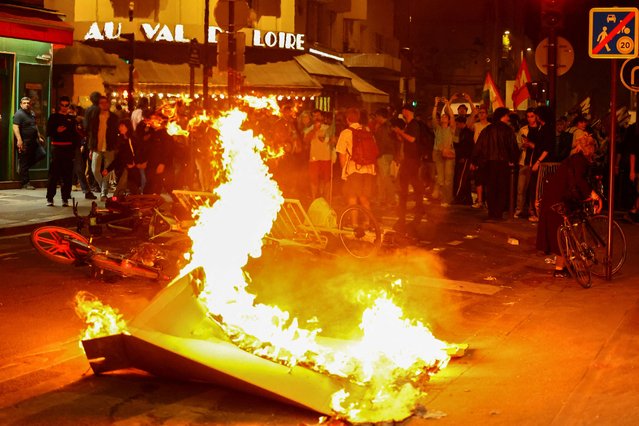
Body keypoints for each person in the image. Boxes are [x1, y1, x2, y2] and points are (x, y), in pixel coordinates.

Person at [536, 135, 602, 278]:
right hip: (557, 200)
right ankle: (559, 269)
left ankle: (564, 266)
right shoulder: (580, 161)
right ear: (589, 149)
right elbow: (579, 180)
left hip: (555, 198)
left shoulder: (574, 159)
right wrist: (593, 194)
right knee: (562, 232)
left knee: (564, 231)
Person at [472, 107, 519, 220]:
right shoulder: (508, 130)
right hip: (503, 163)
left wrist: (474, 160)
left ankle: (492, 212)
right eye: (507, 116)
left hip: (488, 163)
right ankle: (498, 213)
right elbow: (513, 147)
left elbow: (479, 146)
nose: (508, 118)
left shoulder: (487, 130)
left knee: (491, 188)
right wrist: (513, 160)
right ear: (502, 116)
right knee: (501, 188)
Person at [335, 108, 376, 226]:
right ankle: (368, 223)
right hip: (368, 169)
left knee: (352, 197)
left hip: (354, 169)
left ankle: (354, 225)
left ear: (347, 119)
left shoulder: (346, 133)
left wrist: (345, 173)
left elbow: (342, 155)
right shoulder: (367, 131)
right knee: (364, 198)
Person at [392, 104, 424, 231]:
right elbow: (406, 140)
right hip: (409, 159)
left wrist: (400, 132)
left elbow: (412, 139)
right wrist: (399, 134)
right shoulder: (408, 124)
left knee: (407, 183)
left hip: (412, 159)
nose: (402, 113)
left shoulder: (414, 124)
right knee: (412, 183)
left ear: (407, 111)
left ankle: (409, 210)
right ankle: (417, 207)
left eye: (403, 110)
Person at [45, 97, 78, 206]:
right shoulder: (54, 117)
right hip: (57, 148)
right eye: (62, 105)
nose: (64, 108)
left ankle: (65, 198)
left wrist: (75, 148)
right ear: (59, 105)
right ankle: (50, 197)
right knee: (54, 174)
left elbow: (75, 135)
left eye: (66, 105)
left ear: (69, 106)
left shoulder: (72, 119)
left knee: (67, 175)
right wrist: (56, 130)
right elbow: (48, 132)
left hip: (68, 149)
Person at [89, 95, 119, 200]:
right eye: (101, 103)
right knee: (95, 170)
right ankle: (103, 188)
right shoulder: (94, 117)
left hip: (109, 147)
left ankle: (103, 193)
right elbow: (92, 133)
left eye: (105, 102)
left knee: (106, 171)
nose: (103, 105)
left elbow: (116, 133)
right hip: (97, 147)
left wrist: (115, 146)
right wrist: (91, 148)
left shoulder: (113, 117)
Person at [102, 119, 141, 196]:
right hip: (125, 169)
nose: (120, 128)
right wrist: (108, 169)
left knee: (121, 192)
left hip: (130, 170)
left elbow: (139, 153)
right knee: (131, 191)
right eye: (119, 126)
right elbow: (119, 157)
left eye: (122, 126)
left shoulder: (132, 140)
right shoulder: (122, 140)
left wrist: (134, 163)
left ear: (128, 127)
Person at [13, 96, 45, 189]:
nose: (26, 105)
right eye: (24, 103)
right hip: (24, 142)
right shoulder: (19, 114)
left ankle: (23, 169)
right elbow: (15, 127)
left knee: (42, 154)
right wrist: (19, 140)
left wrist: (39, 136)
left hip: (34, 141)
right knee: (24, 161)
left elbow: (34, 125)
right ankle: (25, 183)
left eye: (28, 103)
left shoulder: (31, 113)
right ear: (21, 104)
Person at [514, 108, 539, 218]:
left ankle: (532, 209)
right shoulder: (523, 129)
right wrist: (522, 145)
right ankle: (519, 209)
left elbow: (542, 146)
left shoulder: (540, 129)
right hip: (524, 161)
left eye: (532, 116)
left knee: (533, 189)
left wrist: (532, 145)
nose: (530, 119)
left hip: (535, 162)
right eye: (528, 117)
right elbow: (518, 143)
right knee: (521, 188)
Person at [431, 96, 455, 206]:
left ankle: (446, 199)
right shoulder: (437, 128)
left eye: (446, 116)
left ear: (449, 120)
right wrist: (436, 104)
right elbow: (433, 118)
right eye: (442, 116)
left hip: (449, 152)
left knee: (448, 178)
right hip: (438, 153)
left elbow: (453, 117)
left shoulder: (451, 128)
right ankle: (440, 195)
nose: (444, 117)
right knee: (440, 177)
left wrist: (448, 104)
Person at [304, 109, 332, 200]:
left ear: (322, 117)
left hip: (326, 157)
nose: (316, 118)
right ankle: (313, 199)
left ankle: (326, 198)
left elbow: (333, 141)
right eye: (314, 116)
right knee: (314, 180)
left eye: (318, 115)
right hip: (314, 158)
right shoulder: (309, 129)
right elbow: (306, 140)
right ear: (312, 118)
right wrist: (314, 130)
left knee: (326, 179)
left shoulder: (328, 128)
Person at [374, 108, 397, 206]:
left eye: (376, 116)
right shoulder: (389, 126)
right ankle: (382, 198)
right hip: (388, 154)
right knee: (382, 178)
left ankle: (391, 199)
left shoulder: (383, 128)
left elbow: (382, 143)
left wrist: (378, 154)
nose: (375, 118)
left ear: (380, 116)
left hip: (383, 154)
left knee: (385, 177)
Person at [470, 105, 491, 208]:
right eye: (480, 113)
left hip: (488, 155)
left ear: (487, 114)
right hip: (478, 155)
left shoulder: (490, 126)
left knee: (488, 179)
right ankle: (480, 201)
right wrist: (475, 114)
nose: (481, 114)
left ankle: (488, 201)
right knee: (478, 179)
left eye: (483, 113)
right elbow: (468, 125)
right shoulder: (476, 125)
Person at [453, 116, 474, 205]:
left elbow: (467, 147)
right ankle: (468, 199)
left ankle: (459, 198)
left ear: (461, 123)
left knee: (461, 179)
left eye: (457, 124)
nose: (456, 126)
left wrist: (464, 157)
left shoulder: (467, 133)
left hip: (465, 158)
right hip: (463, 157)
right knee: (465, 179)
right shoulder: (462, 132)